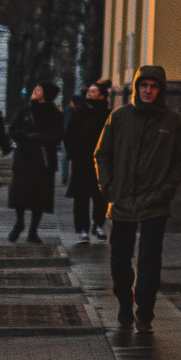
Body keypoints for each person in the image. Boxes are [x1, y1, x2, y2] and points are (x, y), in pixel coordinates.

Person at [96, 65, 181, 338]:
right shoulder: (120, 117)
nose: (147, 91)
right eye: (143, 85)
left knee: (149, 260)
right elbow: (102, 154)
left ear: (160, 90)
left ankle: (145, 313)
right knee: (119, 260)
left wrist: (167, 188)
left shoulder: (172, 122)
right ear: (136, 87)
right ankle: (125, 305)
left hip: (155, 202)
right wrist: (109, 188)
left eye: (153, 86)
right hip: (122, 200)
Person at [6, 81, 64, 243]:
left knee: (40, 195)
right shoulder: (25, 111)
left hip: (43, 159)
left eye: (39, 89)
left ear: (46, 93)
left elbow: (57, 136)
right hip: (24, 157)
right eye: (36, 88)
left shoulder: (54, 113)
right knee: (19, 192)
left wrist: (40, 137)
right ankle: (19, 223)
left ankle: (33, 230)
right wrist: (25, 136)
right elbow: (13, 129)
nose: (35, 91)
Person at [62, 81, 110, 242]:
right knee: (81, 197)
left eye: (93, 91)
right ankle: (82, 229)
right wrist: (73, 154)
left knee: (100, 196)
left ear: (102, 95)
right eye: (89, 91)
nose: (89, 93)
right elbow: (68, 135)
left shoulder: (107, 115)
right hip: (81, 161)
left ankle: (98, 225)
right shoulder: (79, 113)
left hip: (101, 162)